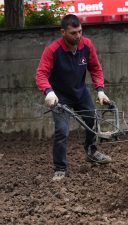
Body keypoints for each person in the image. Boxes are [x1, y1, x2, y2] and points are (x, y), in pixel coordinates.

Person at [36, 14, 112, 181]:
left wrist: (100, 89)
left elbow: (96, 68)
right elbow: (41, 73)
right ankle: (60, 168)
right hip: (59, 96)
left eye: (80, 31)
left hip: (80, 92)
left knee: (92, 120)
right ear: (63, 32)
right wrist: (48, 91)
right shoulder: (52, 50)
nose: (78, 36)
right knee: (62, 131)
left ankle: (91, 152)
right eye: (73, 33)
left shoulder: (86, 45)